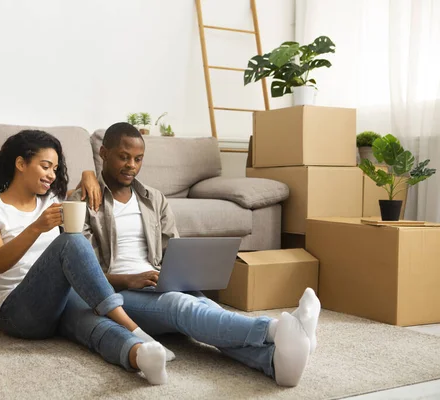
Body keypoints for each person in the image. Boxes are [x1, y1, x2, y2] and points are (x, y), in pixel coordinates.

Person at [69, 122, 321, 387]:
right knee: (181, 305)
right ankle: (277, 329)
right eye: (124, 157)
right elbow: (82, 272)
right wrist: (129, 280)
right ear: (104, 154)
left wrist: (182, 273)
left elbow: (172, 249)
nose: (132, 165)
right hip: (115, 294)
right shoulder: (83, 200)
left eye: (138, 159)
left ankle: (275, 363)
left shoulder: (154, 199)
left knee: (207, 308)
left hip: (155, 281)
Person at [0, 129, 170, 385]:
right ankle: (135, 328)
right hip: (19, 311)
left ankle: (140, 355)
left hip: (59, 301)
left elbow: (83, 188)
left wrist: (88, 174)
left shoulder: (50, 201)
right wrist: (36, 228)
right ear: (20, 164)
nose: (52, 175)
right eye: (45, 166)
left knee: (93, 326)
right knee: (71, 240)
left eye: (55, 168)